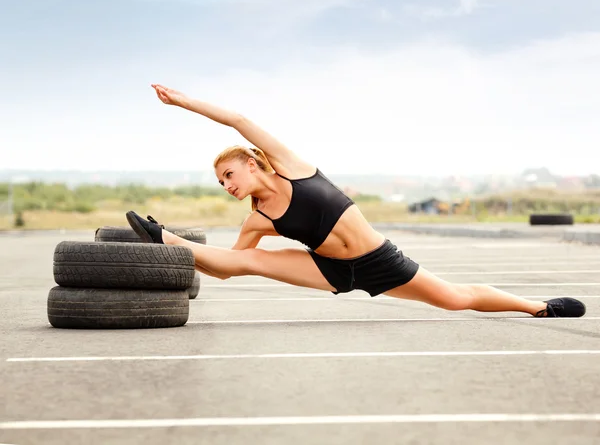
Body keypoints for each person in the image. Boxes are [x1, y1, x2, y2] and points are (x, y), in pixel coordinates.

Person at [126, 83, 586, 319]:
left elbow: (240, 119)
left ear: (252, 164)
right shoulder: (259, 220)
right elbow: (228, 267)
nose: (226, 185)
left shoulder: (291, 166)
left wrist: (185, 103)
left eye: (229, 174)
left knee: (455, 298)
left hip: (379, 260)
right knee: (247, 262)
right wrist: (178, 254)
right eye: (220, 181)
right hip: (327, 269)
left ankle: (538, 307)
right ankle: (161, 237)